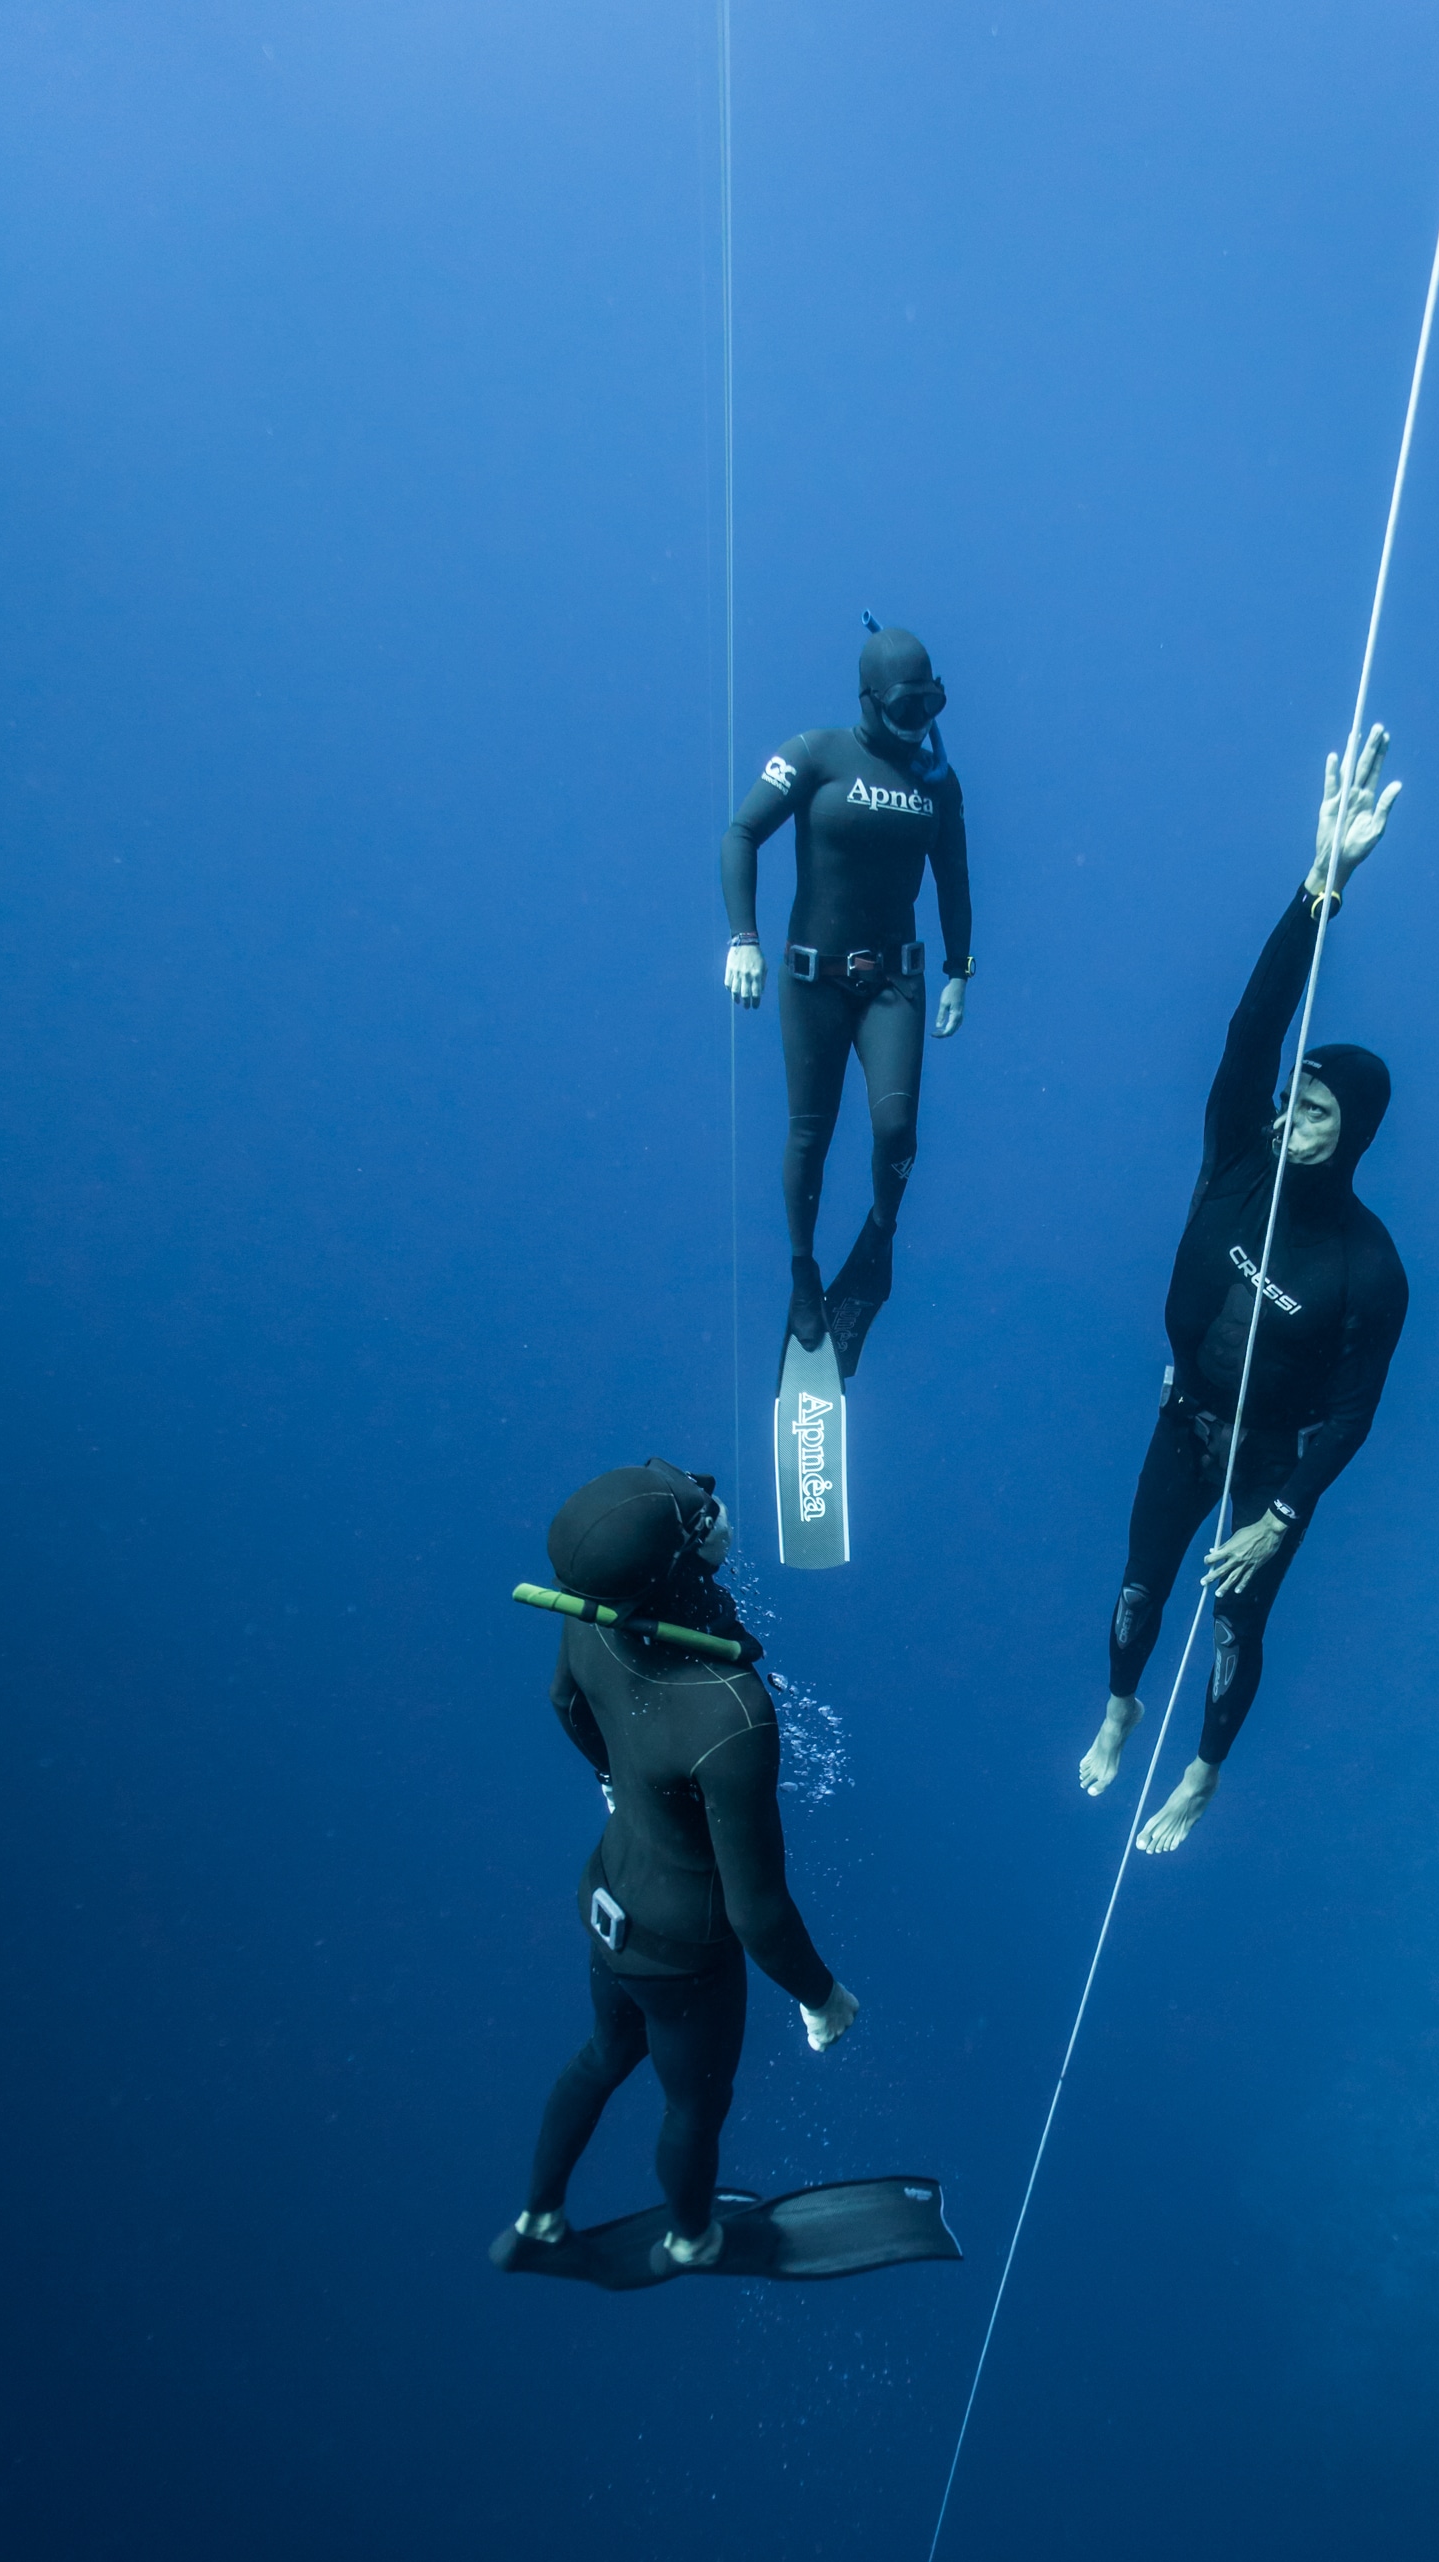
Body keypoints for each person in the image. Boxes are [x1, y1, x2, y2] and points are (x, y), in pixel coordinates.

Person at [1078, 727, 1409, 1856]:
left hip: (1270, 1464)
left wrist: (1280, 1517)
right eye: (1289, 1101)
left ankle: (1202, 1774)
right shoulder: (1235, 1156)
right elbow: (1250, 1026)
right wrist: (1321, 882)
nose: (1288, 1116)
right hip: (1183, 1421)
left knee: (1230, 1625)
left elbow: (1357, 1410)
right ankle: (1120, 1709)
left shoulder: (1369, 1263)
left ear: (1351, 1134)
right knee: (1136, 1591)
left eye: (1313, 1112)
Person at [503, 1461, 859, 2274]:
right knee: (695, 2104)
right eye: (703, 1517)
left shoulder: (594, 1612)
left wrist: (611, 1777)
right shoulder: (730, 1712)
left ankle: (537, 2218)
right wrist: (821, 1998)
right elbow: (756, 1912)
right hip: (681, 1950)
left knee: (603, 2054)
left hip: (609, 1895)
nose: (720, 1510)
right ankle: (691, 2238)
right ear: (677, 1564)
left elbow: (565, 1704)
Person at [721, 619, 975, 1373]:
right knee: (812, 1137)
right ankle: (802, 1271)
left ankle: (878, 1240)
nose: (918, 722)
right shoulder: (813, 753)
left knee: (897, 1131)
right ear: (869, 699)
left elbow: (954, 879)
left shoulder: (939, 781)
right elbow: (741, 832)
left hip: (895, 980)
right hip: (811, 982)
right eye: (905, 707)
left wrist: (961, 968)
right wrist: (744, 940)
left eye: (931, 705)